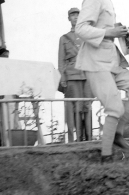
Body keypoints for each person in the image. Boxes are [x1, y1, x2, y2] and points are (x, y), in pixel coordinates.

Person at [75, 0, 129, 163]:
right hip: (95, 62)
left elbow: (108, 29)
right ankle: (106, 155)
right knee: (114, 108)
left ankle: (117, 134)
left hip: (111, 60)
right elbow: (80, 29)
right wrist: (111, 32)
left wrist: (122, 32)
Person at [58, 7, 94, 142]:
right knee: (76, 107)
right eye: (72, 15)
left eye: (78, 15)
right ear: (69, 18)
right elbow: (61, 59)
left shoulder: (87, 35)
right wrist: (62, 77)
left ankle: (89, 138)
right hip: (72, 75)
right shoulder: (64, 38)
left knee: (87, 106)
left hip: (87, 74)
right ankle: (77, 139)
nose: (75, 17)